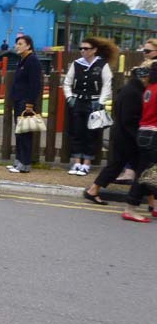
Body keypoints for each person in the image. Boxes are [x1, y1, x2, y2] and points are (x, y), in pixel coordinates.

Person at [85, 60, 153, 206]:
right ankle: (93, 190)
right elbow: (129, 119)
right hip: (127, 136)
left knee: (137, 168)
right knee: (134, 168)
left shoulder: (133, 89)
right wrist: (138, 138)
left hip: (125, 135)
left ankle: (93, 190)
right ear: (145, 76)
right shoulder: (133, 92)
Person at [63, 37, 118, 176]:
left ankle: (86, 164)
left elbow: (107, 84)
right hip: (78, 102)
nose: (82, 51)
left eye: (86, 48)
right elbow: (67, 82)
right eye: (81, 48)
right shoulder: (76, 64)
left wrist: (101, 101)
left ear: (94, 50)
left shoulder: (102, 64)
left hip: (94, 103)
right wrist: (69, 97)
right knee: (77, 132)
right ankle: (76, 162)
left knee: (91, 134)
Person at [122, 61, 157, 222]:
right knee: (144, 175)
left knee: (148, 173)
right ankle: (130, 208)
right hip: (153, 135)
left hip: (144, 132)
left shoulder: (150, 89)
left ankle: (154, 206)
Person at [6, 35, 43, 174]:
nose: (17, 46)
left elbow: (35, 84)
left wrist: (30, 104)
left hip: (25, 102)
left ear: (28, 46)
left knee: (25, 133)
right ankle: (19, 161)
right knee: (19, 132)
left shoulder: (32, 61)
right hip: (18, 100)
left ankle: (25, 163)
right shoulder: (22, 60)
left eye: (20, 44)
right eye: (16, 44)